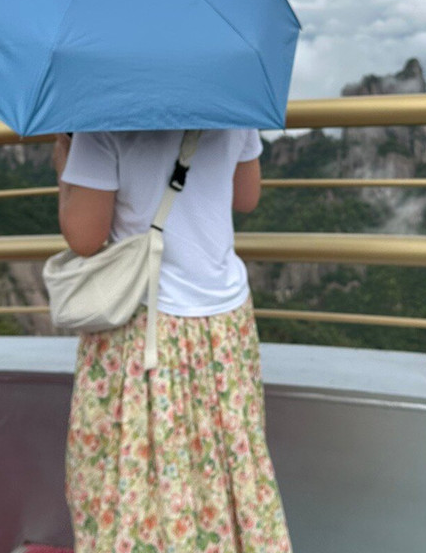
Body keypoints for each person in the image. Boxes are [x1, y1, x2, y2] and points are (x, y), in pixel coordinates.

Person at [54, 129, 293, 553]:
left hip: (144, 331)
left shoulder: (103, 120)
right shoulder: (234, 102)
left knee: (139, 480)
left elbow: (85, 236)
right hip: (224, 324)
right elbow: (246, 196)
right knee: (229, 465)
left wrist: (66, 159)